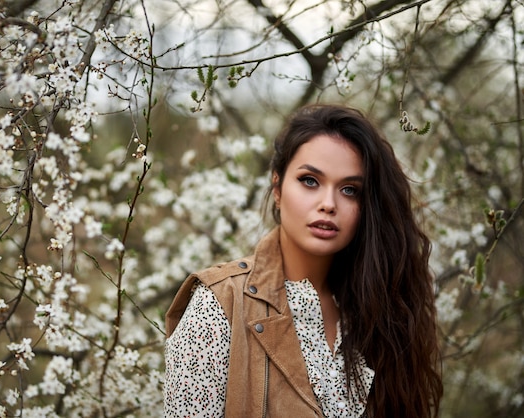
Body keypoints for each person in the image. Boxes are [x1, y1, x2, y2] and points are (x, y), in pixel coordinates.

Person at [163, 104, 443, 417]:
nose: (328, 204)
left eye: (350, 190)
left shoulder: (379, 310)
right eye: (310, 180)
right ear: (278, 189)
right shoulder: (218, 305)